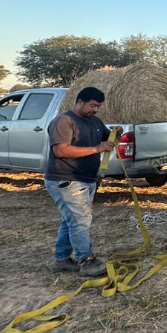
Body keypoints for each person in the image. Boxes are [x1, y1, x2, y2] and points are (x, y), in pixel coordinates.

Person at [44, 87, 120, 277]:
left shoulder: (95, 121)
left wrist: (116, 133)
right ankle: (86, 261)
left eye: (98, 106)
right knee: (80, 220)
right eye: (92, 105)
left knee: (71, 220)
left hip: (87, 178)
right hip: (67, 179)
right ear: (79, 102)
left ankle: (62, 260)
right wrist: (96, 149)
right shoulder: (64, 121)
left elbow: (106, 138)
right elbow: (61, 151)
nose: (95, 109)